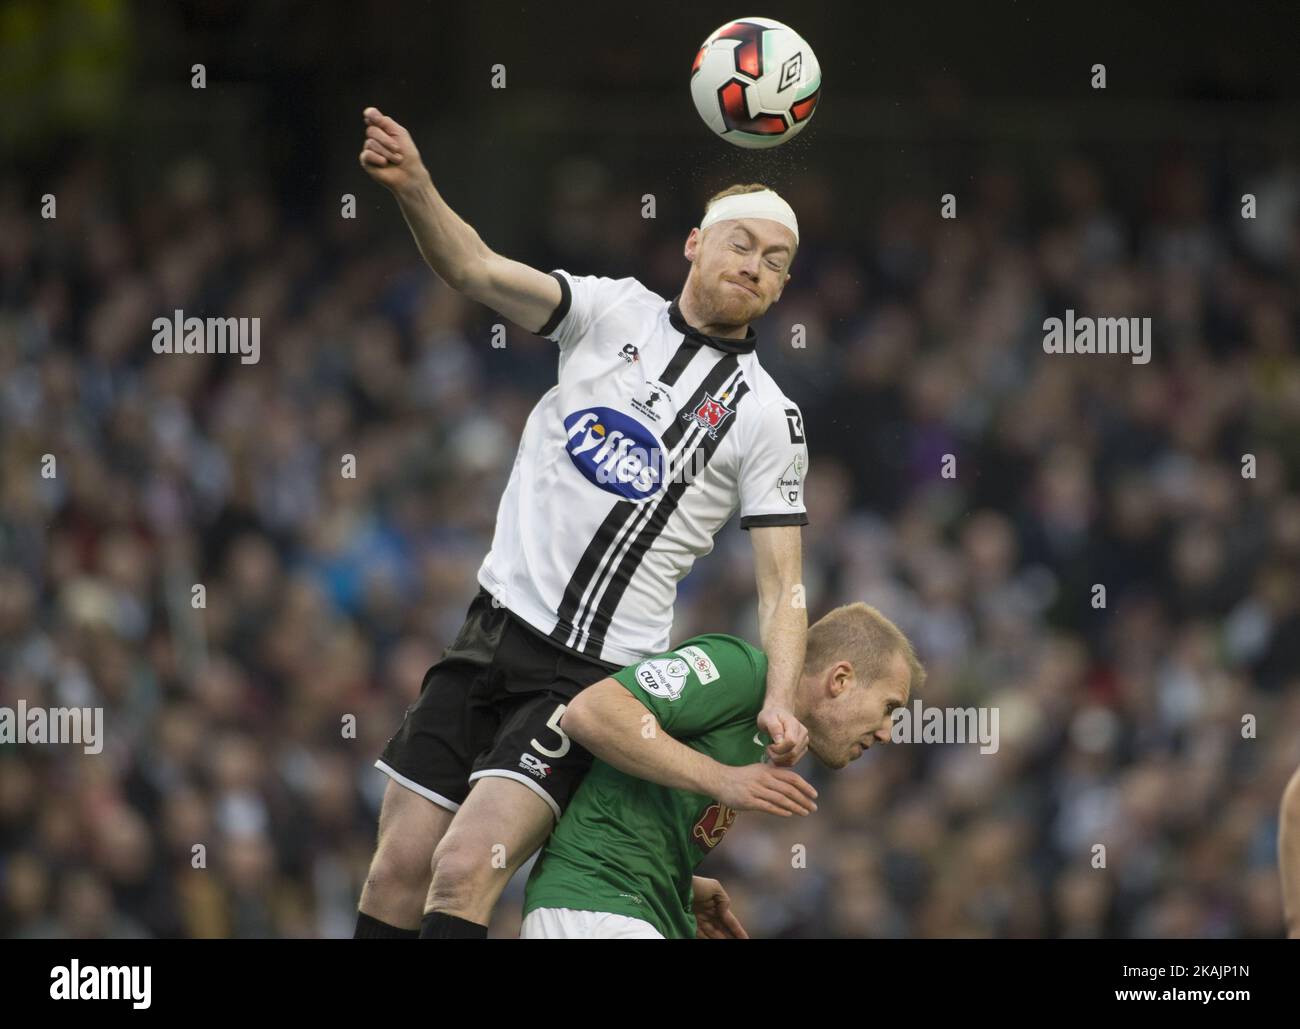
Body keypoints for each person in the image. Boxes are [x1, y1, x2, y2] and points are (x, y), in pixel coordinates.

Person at [353, 107, 815, 939]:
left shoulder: (766, 417)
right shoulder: (609, 312)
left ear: (782, 289)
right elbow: (474, 269)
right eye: (741, 244)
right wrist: (416, 186)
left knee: (464, 867)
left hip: (586, 679)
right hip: (489, 635)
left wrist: (782, 698)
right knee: (395, 868)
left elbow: (783, 584)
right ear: (694, 244)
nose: (755, 266)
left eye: (775, 262)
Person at [521, 602, 924, 939]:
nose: (888, 732)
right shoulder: (740, 670)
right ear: (840, 679)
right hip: (594, 905)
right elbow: (591, 712)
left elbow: (626, 808)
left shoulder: (764, 735)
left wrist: (676, 883)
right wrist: (723, 779)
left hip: (628, 910)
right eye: (889, 707)